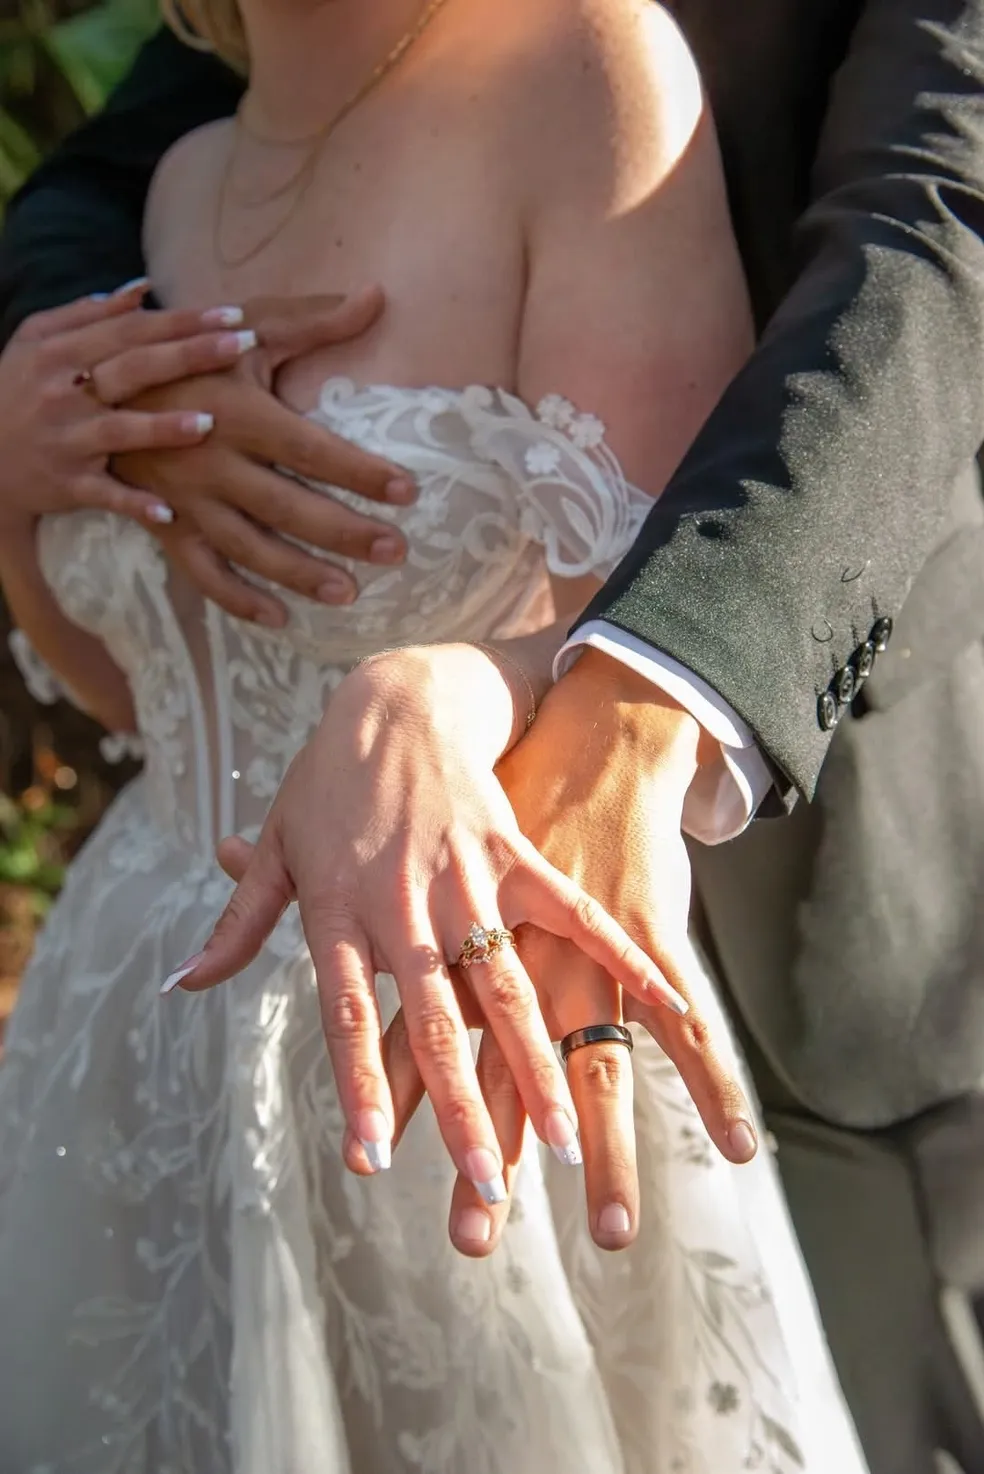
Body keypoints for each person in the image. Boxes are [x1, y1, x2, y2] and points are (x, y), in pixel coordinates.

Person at [0, 1, 982, 1472]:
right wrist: (22, 478)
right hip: (135, 1041)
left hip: (547, 951)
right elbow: (148, 688)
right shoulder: (179, 172)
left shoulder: (590, 73)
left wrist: (468, 679)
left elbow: (935, 221)